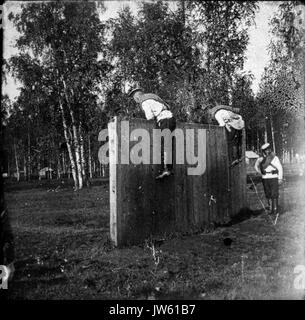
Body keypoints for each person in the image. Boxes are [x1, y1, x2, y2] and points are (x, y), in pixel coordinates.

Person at [127, 86, 176, 179]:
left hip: (164, 120)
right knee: (168, 144)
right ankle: (168, 169)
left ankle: (167, 169)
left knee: (165, 145)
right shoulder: (152, 97)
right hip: (170, 118)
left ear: (137, 97)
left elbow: (149, 117)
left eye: (134, 98)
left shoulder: (144, 102)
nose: (135, 101)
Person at [254, 143, 283, 214]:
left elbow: (280, 168)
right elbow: (255, 166)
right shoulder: (260, 159)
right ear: (263, 151)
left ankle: (275, 209)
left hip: (274, 177)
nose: (267, 151)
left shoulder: (274, 157)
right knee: (268, 193)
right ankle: (270, 209)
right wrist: (260, 172)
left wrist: (280, 178)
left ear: (270, 149)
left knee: (274, 193)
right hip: (265, 178)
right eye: (265, 150)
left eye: (268, 149)